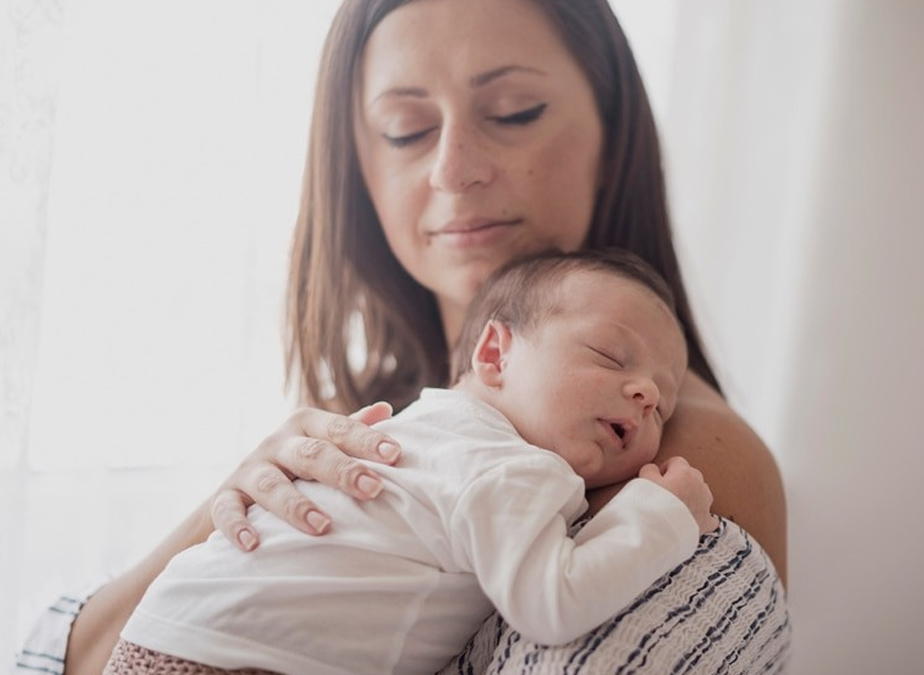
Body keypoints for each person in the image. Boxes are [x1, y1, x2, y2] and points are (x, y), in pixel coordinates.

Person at [16, 0, 790, 673]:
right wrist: (222, 512)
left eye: (515, 112)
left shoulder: (675, 457)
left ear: (612, 139)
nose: (454, 169)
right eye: (405, 128)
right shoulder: (375, 421)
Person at [101, 249, 716, 675]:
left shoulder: (422, 428)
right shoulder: (512, 464)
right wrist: (662, 513)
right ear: (495, 355)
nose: (647, 394)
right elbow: (554, 603)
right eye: (610, 356)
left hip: (165, 630)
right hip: (241, 658)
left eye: (663, 405)